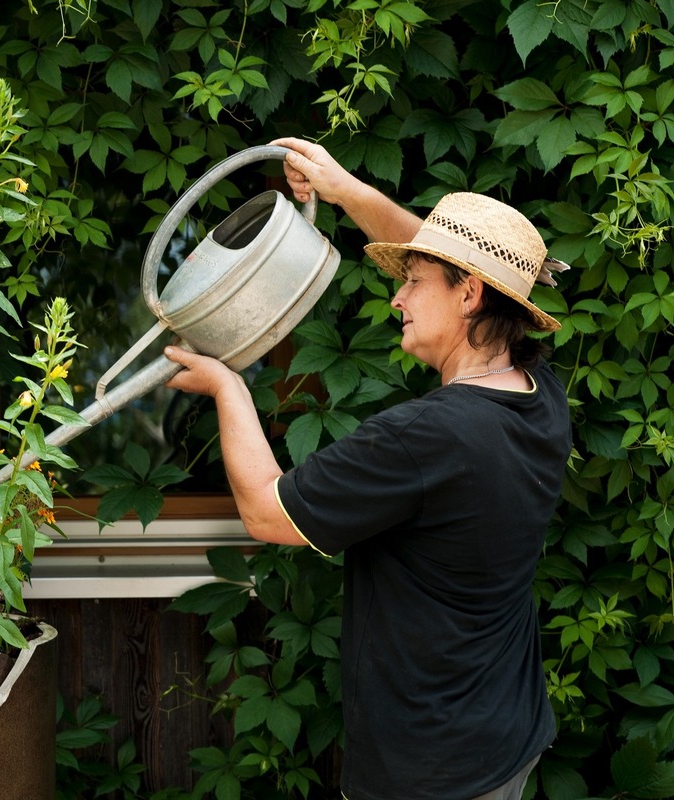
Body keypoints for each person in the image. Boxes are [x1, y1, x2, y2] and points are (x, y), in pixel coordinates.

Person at [162, 138, 572, 800]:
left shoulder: (426, 436)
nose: (395, 298)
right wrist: (345, 189)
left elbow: (268, 513)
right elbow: (452, 263)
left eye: (410, 282)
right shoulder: (536, 391)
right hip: (505, 733)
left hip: (429, 771)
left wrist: (229, 388)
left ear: (468, 296)